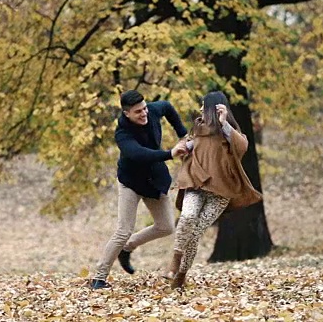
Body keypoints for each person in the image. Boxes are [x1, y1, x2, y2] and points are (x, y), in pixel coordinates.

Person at [90, 90, 189, 289]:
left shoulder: (152, 110)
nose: (144, 113)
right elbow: (139, 154)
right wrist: (170, 153)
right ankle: (99, 278)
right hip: (131, 183)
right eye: (138, 112)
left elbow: (168, 107)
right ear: (127, 113)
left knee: (167, 227)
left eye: (144, 108)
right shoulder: (122, 134)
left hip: (154, 181)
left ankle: (127, 248)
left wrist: (183, 134)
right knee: (123, 230)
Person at [164, 91, 262, 289]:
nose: (200, 109)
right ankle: (175, 260)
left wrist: (224, 122)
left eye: (203, 106)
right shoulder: (198, 128)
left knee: (196, 232)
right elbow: (190, 144)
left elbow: (242, 147)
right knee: (188, 217)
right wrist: (183, 146)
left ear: (213, 108)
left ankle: (181, 274)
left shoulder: (230, 131)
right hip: (196, 183)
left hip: (221, 192)